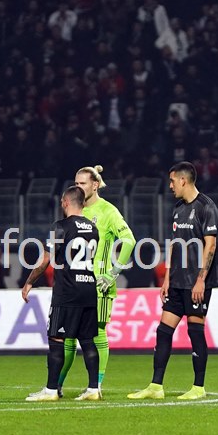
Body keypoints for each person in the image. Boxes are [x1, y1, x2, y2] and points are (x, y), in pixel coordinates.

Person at [128, 161, 218, 401]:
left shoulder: (206, 207)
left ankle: (198, 387)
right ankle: (155, 386)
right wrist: (166, 278)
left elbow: (210, 245)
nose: (170, 186)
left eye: (172, 181)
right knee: (163, 331)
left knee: (195, 332)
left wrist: (201, 280)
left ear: (183, 180)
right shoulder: (177, 209)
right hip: (176, 282)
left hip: (196, 284)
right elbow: (174, 245)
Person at [57, 165, 136, 396]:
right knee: (67, 336)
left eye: (82, 183)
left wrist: (113, 273)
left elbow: (129, 240)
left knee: (97, 333)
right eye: (75, 183)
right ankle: (56, 386)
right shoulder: (75, 210)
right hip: (75, 282)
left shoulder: (108, 211)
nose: (78, 187)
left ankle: (96, 386)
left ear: (95, 185)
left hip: (99, 283)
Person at [22, 186, 100, 401]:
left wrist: (29, 282)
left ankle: (50, 390)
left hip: (67, 291)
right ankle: (93, 389)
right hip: (88, 289)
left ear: (65, 202)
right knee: (87, 340)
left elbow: (45, 261)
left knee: (56, 339)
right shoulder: (93, 228)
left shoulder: (60, 227)